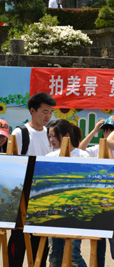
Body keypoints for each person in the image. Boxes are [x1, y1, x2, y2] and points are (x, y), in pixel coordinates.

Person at [8, 92, 56, 267]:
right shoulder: (20, 133)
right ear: (32, 111)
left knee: (40, 242)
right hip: (23, 195)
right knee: (19, 238)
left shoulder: (50, 133)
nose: (48, 116)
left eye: (50, 112)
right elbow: (13, 164)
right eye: (44, 111)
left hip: (44, 195)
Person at [79, 116, 114, 267]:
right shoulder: (97, 148)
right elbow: (79, 151)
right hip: (97, 202)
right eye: (105, 130)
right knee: (97, 247)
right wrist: (93, 131)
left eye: (112, 130)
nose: (108, 133)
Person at [46, 119, 90, 267]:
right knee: (55, 255)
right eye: (49, 136)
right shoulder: (49, 157)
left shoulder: (84, 156)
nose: (51, 140)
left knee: (74, 256)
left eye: (54, 136)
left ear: (65, 136)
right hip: (53, 213)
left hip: (76, 214)